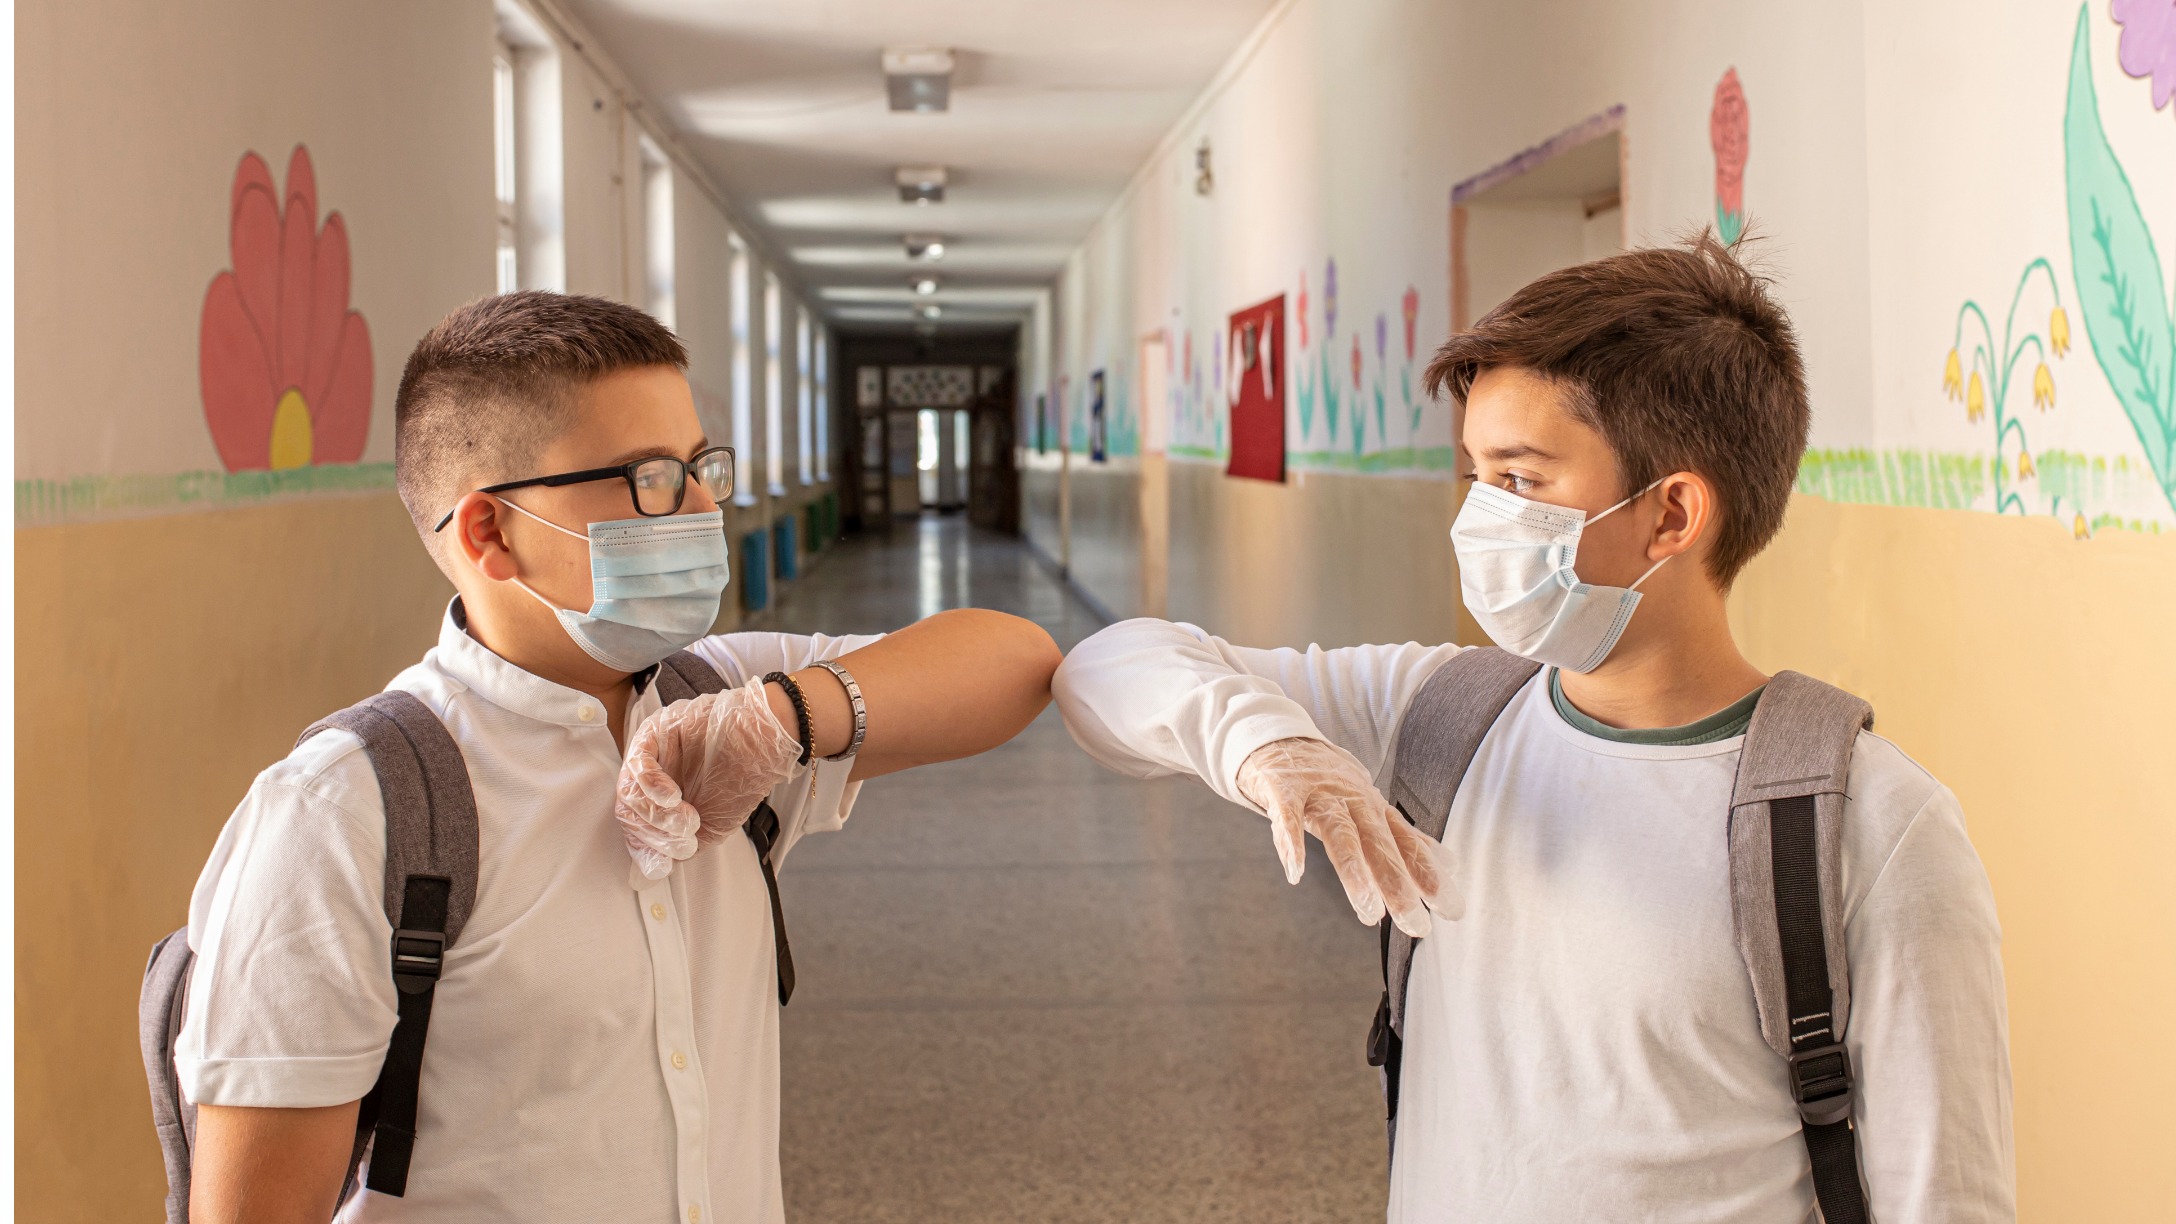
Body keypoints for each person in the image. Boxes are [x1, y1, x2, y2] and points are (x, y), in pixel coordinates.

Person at [1052, 234, 2014, 1221]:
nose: (1479, 519)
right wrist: (1267, 744)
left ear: (1671, 515)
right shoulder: (1438, 715)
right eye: (1474, 475)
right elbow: (1102, 672)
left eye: (1521, 481)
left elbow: (1948, 1198)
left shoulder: (1870, 828)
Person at [180, 291, 1062, 1223]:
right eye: (651, 477)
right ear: (491, 532)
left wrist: (780, 719)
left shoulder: (721, 699)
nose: (703, 504)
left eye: (699, 465)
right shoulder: (348, 813)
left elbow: (1015, 661)